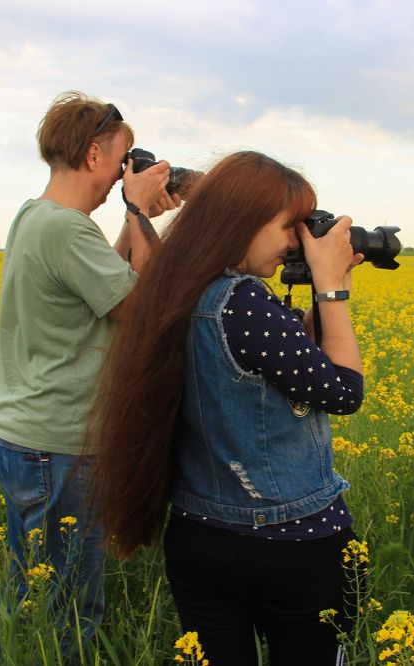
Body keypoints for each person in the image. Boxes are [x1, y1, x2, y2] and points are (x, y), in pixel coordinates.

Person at [93, 151, 366, 664]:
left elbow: (286, 365)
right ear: (244, 221)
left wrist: (330, 291)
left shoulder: (181, 288)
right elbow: (342, 392)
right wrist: (332, 293)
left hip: (200, 540)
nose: (295, 242)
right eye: (290, 226)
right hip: (292, 545)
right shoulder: (243, 304)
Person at [0, 91, 179, 659]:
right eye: (123, 158)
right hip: (55, 446)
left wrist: (132, 219)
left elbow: (105, 281)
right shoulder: (68, 232)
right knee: (68, 607)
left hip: (20, 432)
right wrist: (139, 214)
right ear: (94, 154)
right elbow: (146, 316)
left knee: (31, 589)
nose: (124, 172)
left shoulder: (39, 216)